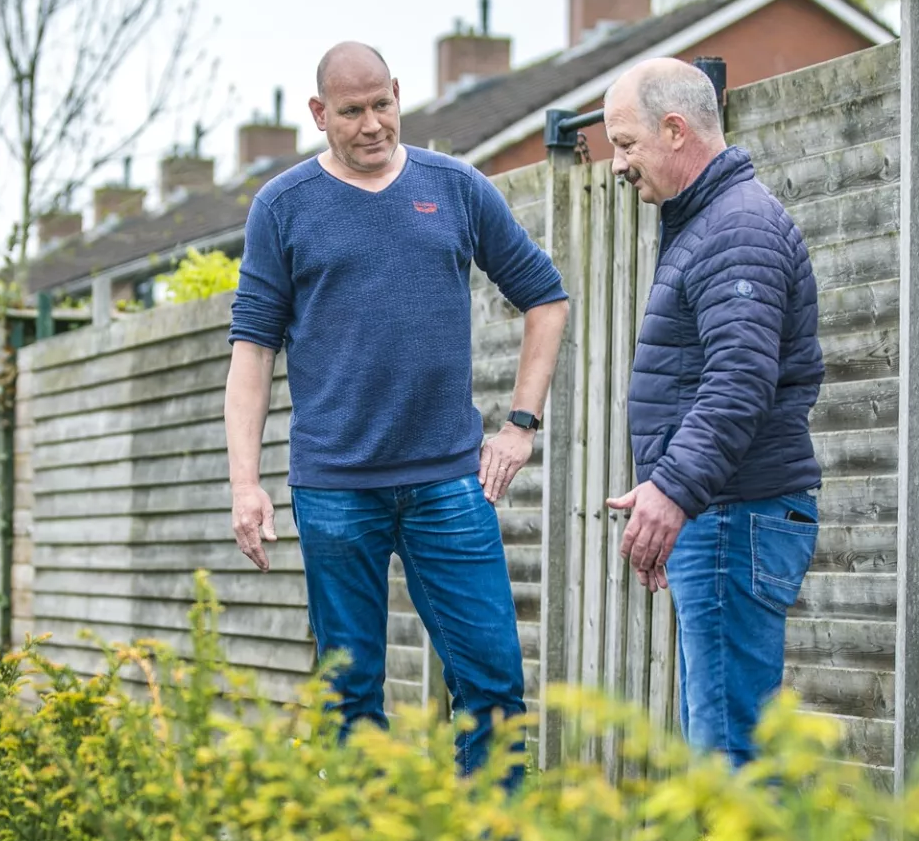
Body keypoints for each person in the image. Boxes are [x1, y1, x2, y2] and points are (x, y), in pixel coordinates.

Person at [224, 41, 570, 788]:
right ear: (320, 114)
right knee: (350, 698)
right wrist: (244, 483)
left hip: (450, 483)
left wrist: (520, 424)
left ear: (398, 94)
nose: (374, 123)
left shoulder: (454, 188)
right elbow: (251, 352)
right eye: (352, 111)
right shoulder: (282, 208)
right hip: (335, 488)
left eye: (384, 103)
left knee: (494, 685)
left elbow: (547, 296)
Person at [602, 57, 824, 769]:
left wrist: (672, 490)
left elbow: (738, 382)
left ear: (674, 130)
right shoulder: (709, 223)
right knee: (725, 734)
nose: (616, 164)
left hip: (736, 514)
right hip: (721, 514)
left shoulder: (737, 227)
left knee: (732, 751)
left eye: (625, 143)